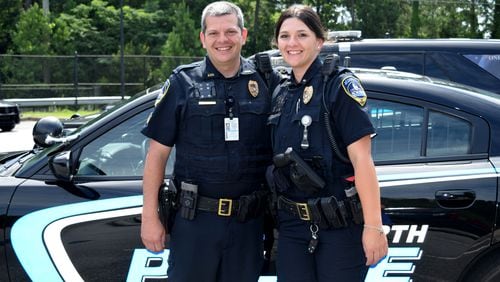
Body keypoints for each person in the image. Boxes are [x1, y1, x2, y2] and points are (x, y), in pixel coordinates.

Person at [140, 1, 280, 281]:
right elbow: (157, 155)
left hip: (248, 223)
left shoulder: (267, 81)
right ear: (203, 38)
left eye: (230, 31)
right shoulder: (183, 82)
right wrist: (150, 217)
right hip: (195, 222)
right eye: (213, 33)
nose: (222, 40)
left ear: (244, 35)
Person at [267, 5, 388, 281]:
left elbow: (362, 160)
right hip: (292, 228)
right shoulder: (281, 94)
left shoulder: (338, 87)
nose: (292, 43)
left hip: (339, 228)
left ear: (319, 42)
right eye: (284, 36)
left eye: (302, 35)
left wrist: (373, 227)